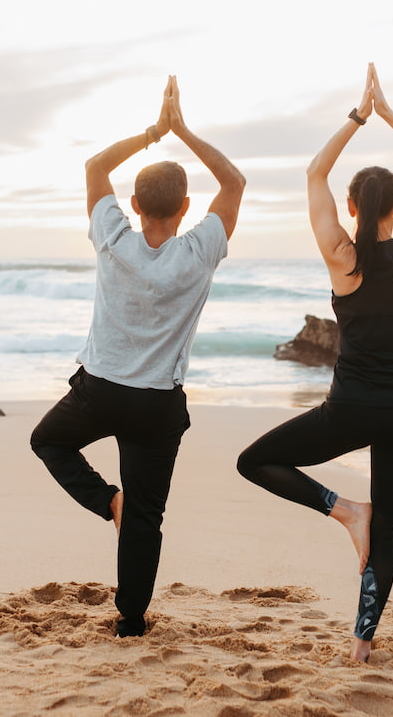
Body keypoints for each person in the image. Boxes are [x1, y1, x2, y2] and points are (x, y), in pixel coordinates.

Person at [237, 63, 393, 662]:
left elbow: (313, 173)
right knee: (388, 532)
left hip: (350, 408)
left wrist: (359, 117)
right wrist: (391, 113)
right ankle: (360, 646)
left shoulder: (341, 257)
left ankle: (343, 509)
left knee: (256, 461)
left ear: (353, 204)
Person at [30, 76, 246, 638]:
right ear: (187, 207)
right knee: (147, 517)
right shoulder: (200, 253)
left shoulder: (113, 239)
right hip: (156, 404)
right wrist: (184, 131)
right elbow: (235, 180)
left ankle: (109, 502)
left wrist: (153, 132)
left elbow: (95, 167)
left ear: (132, 204)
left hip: (100, 391)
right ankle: (130, 622)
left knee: (48, 441)